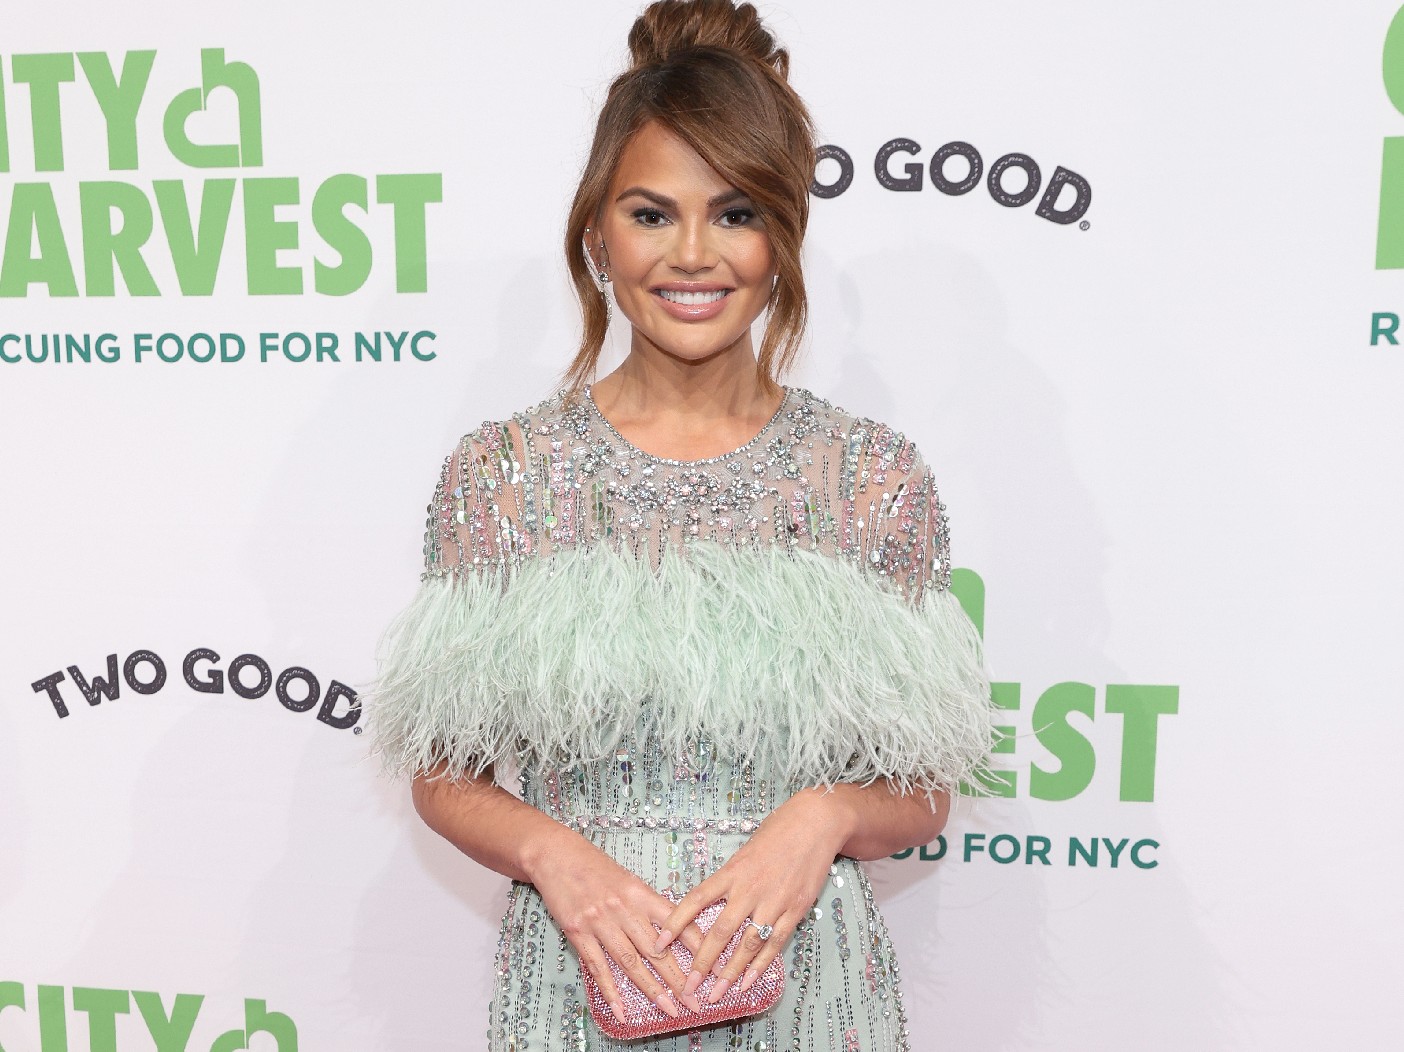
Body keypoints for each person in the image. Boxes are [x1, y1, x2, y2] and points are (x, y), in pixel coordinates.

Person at [368, 1, 995, 1048]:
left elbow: (921, 790)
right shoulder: (506, 474)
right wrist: (555, 854)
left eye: (737, 211)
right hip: (584, 966)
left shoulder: (870, 478)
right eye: (652, 213)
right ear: (597, 234)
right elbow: (444, 773)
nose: (694, 255)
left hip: (803, 973)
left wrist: (825, 814)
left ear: (784, 233)